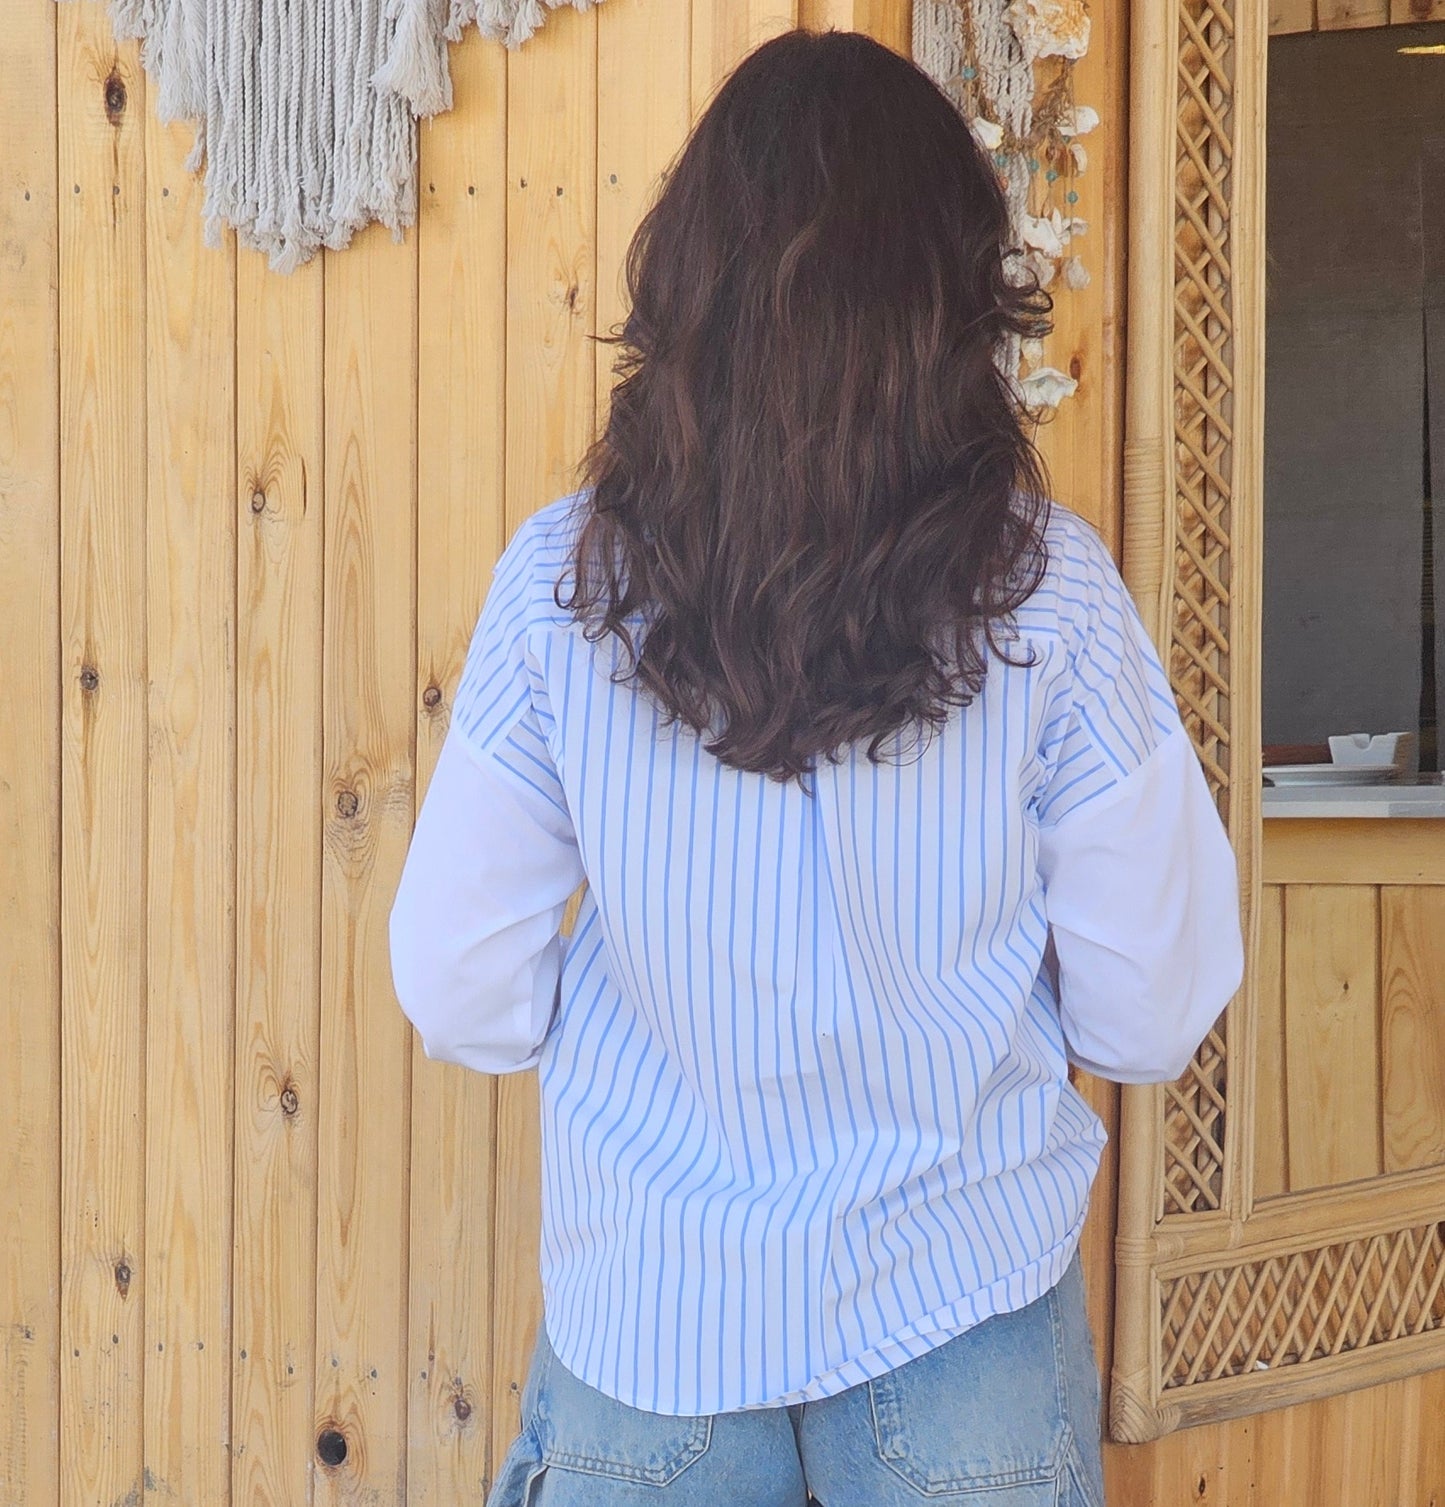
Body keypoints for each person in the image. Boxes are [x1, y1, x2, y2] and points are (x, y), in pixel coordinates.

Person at [388, 27, 1242, 1507]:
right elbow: (1152, 1010)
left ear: (688, 288)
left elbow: (462, 988)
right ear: (953, 296)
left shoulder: (557, 586)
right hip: (958, 1307)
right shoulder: (1054, 595)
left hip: (647, 1324)